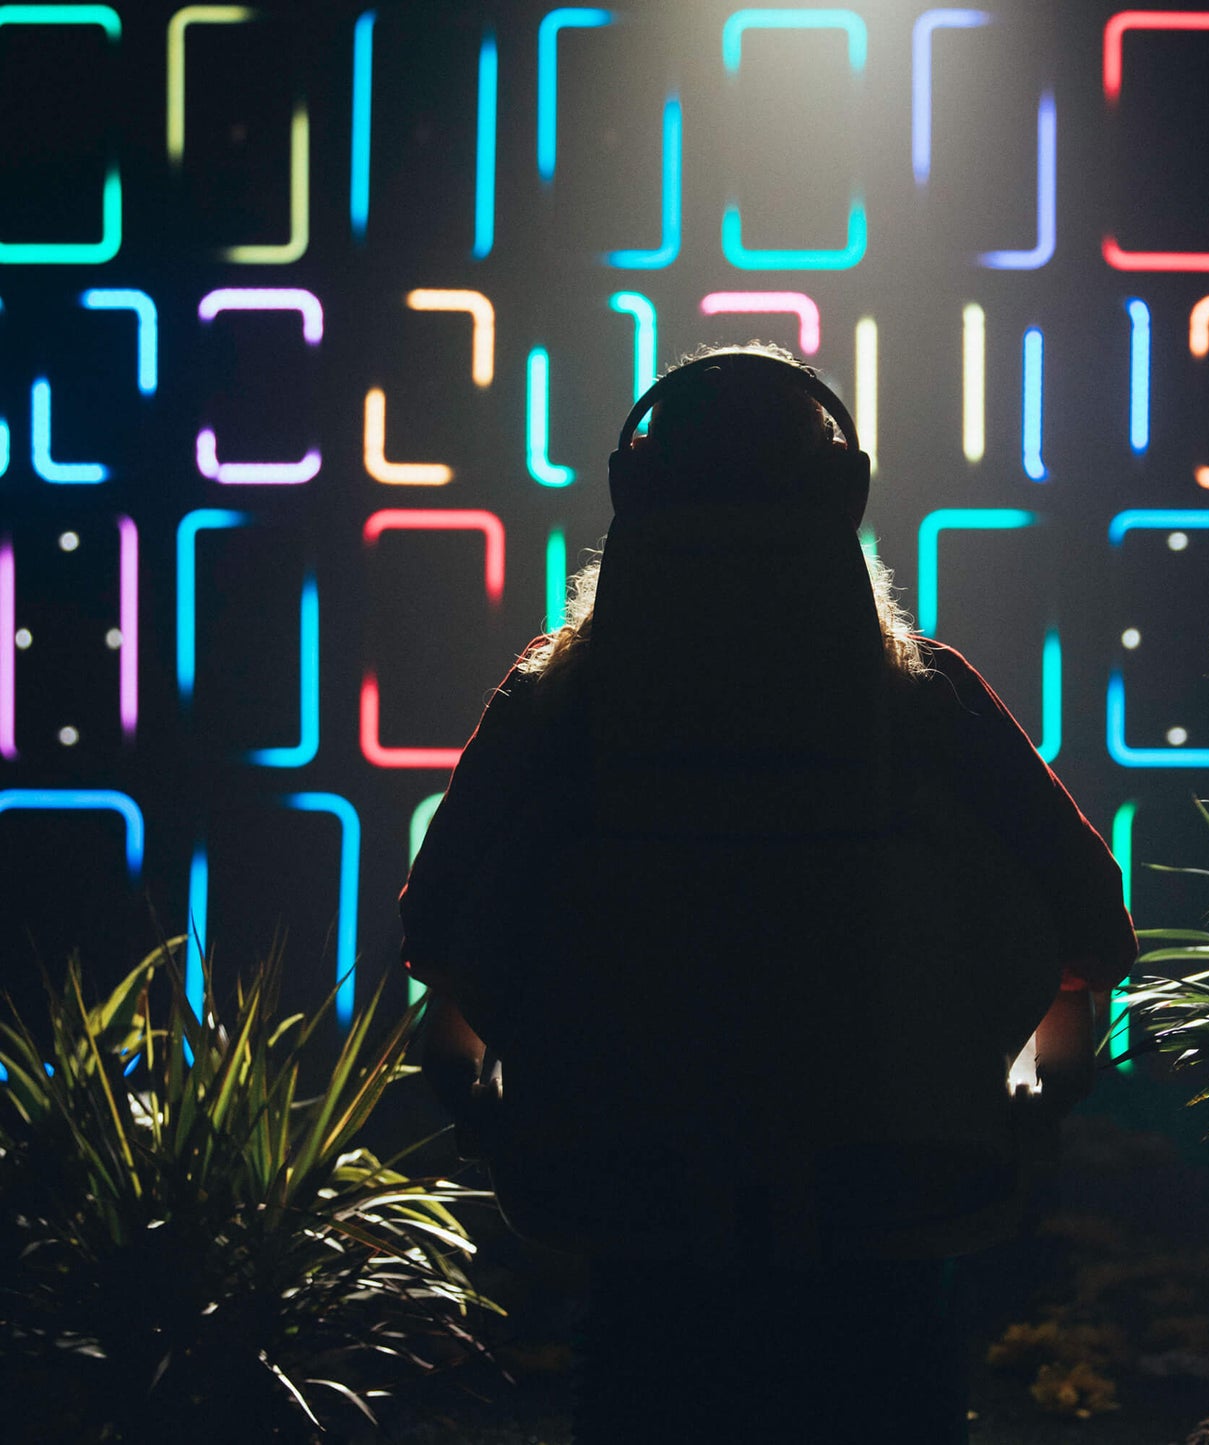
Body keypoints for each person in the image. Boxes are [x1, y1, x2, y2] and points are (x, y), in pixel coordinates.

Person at [400, 344, 1136, 1443]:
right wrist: (1037, 1084)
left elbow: (434, 929)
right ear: (843, 497)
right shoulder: (927, 702)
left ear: (634, 495)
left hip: (633, 1214)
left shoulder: (550, 707)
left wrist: (487, 1088)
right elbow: (1090, 916)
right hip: (889, 1213)